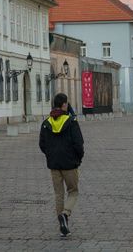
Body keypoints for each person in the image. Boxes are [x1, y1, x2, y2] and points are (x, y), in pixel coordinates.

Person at [39, 92, 84, 237]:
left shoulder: (46, 123)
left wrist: (50, 155)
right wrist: (79, 158)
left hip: (54, 165)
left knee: (59, 194)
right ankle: (65, 214)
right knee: (73, 191)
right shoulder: (71, 122)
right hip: (70, 164)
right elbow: (79, 144)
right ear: (64, 104)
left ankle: (62, 226)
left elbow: (42, 145)